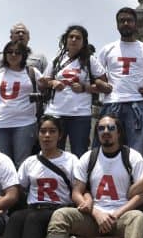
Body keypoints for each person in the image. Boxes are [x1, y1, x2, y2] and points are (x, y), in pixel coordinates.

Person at [24, 115, 143, 238]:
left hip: (120, 216)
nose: (106, 132)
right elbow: (76, 192)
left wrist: (116, 214)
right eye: (101, 128)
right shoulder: (89, 157)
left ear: (119, 132)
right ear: (97, 133)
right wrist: (96, 213)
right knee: (61, 214)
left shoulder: (132, 156)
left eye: (111, 128)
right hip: (93, 217)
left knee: (138, 217)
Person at [96, 7, 143, 154]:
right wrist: (100, 84)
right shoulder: (107, 49)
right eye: (122, 21)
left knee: (135, 151)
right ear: (117, 25)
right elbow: (96, 75)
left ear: (135, 24)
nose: (125, 23)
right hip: (111, 103)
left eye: (129, 20)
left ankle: (135, 178)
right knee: (108, 149)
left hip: (137, 104)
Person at [41, 25, 108, 157]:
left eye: (78, 37)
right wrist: (52, 82)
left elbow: (105, 85)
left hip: (80, 115)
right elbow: (43, 81)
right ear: (65, 40)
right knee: (53, 153)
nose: (74, 39)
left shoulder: (90, 60)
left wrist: (84, 87)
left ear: (83, 42)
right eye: (71, 37)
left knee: (79, 154)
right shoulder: (57, 59)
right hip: (55, 114)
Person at [0, 41, 42, 167]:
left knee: (22, 163)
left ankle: (21, 187)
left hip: (25, 123)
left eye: (18, 52)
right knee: (2, 164)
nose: (13, 55)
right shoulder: (0, 72)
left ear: (23, 55)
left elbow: (45, 87)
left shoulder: (32, 72)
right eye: (9, 52)